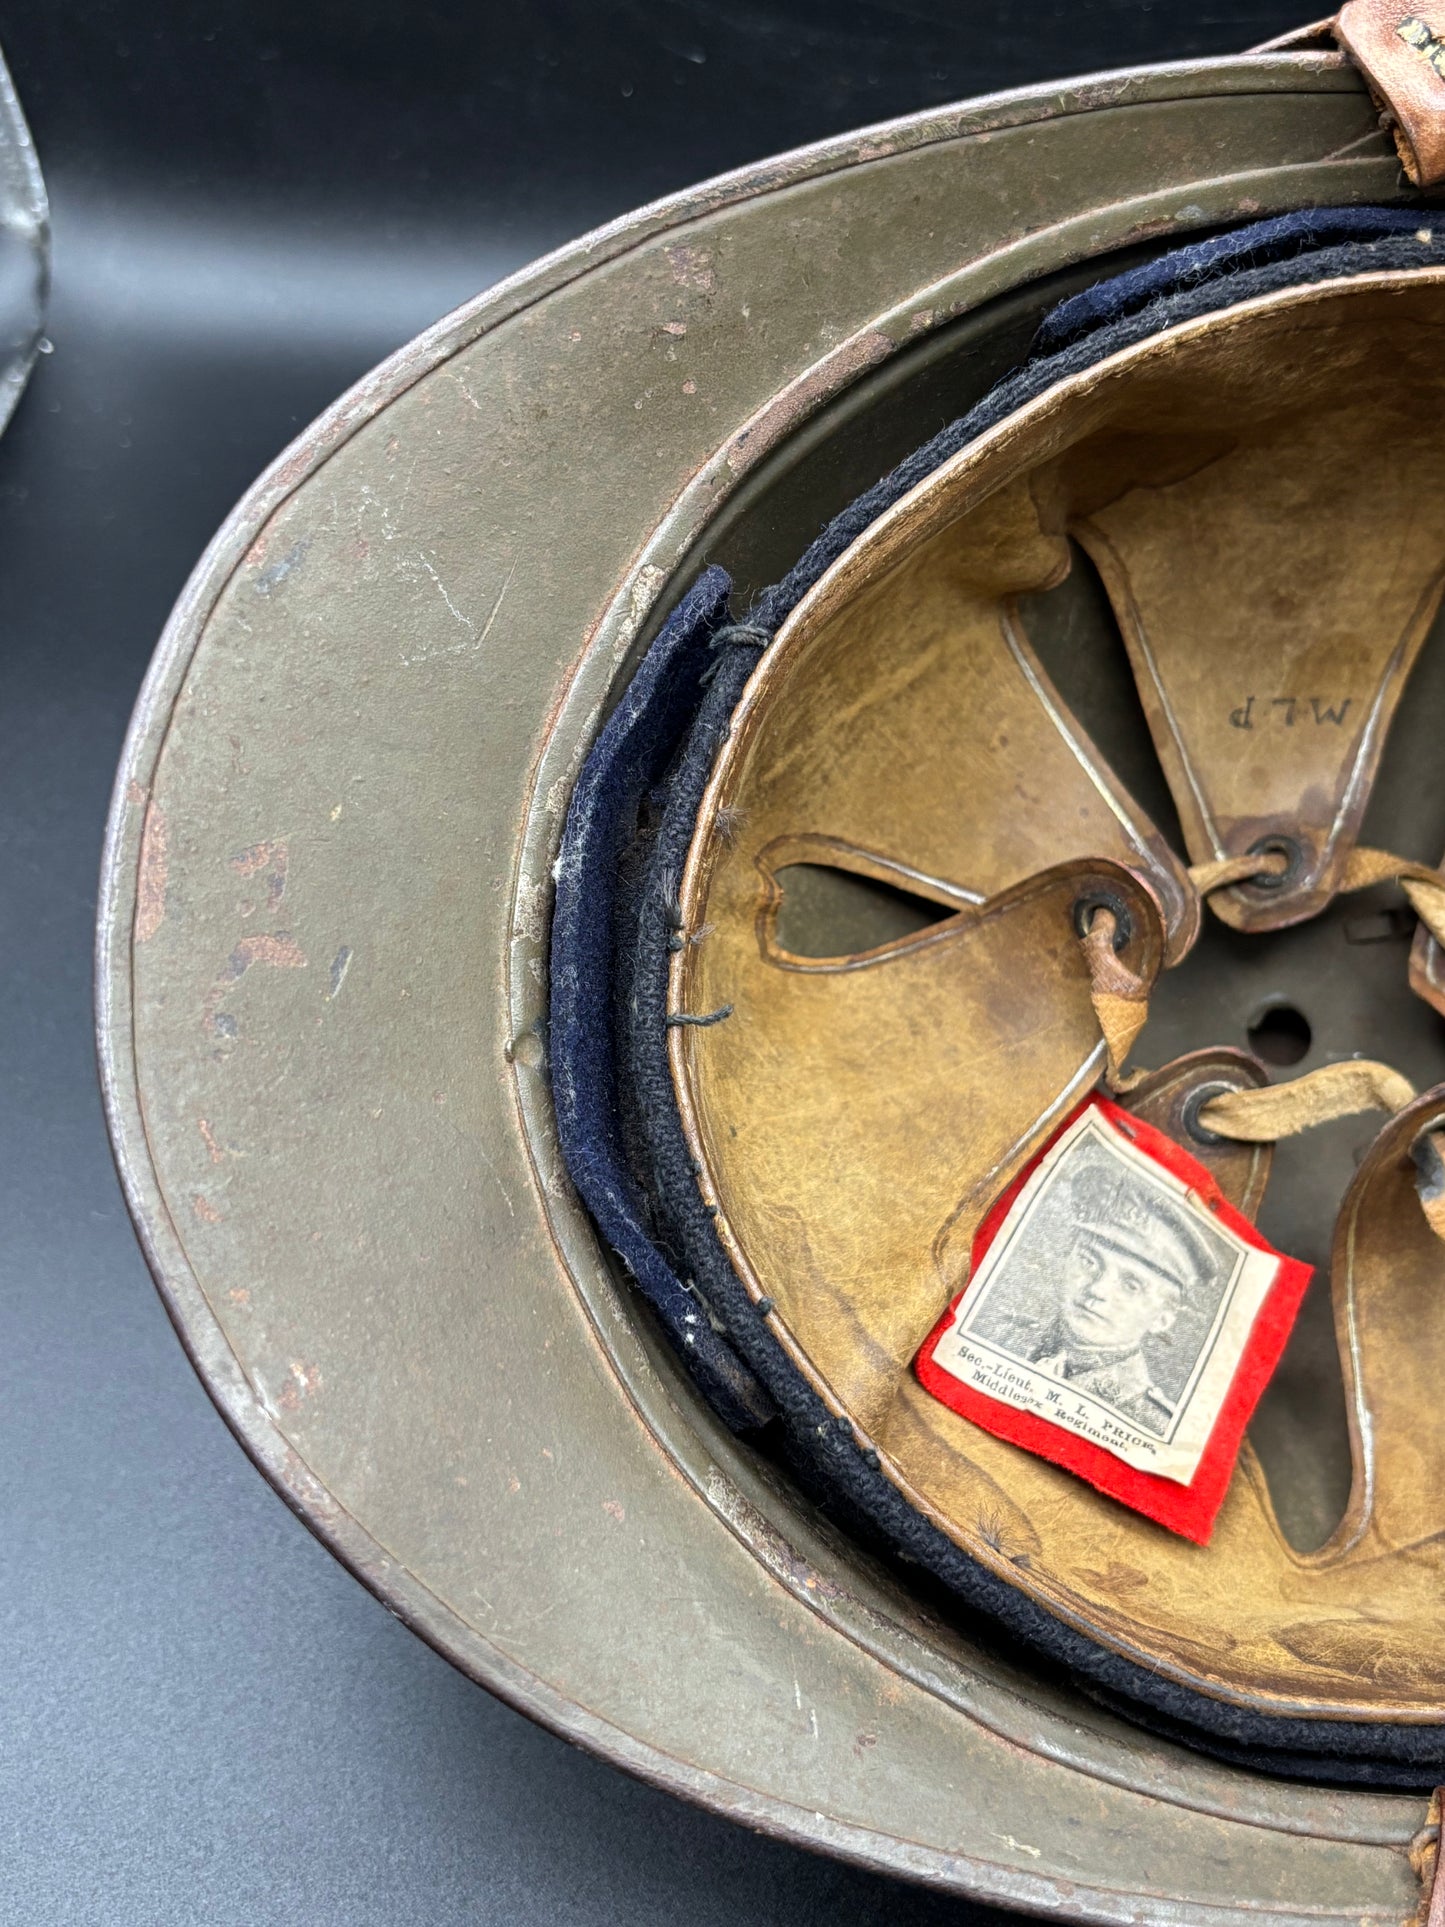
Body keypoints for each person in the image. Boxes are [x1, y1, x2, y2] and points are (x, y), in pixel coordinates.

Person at [992, 1160, 1216, 1437]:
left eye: (1131, 1285)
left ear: (1162, 1319)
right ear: (1067, 1256)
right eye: (1089, 1261)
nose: (1097, 1289)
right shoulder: (1001, 1335)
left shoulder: (1152, 1425)